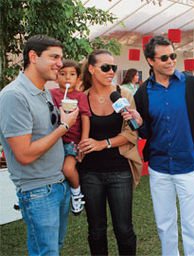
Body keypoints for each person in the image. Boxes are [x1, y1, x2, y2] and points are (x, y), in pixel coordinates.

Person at [133, 35, 194, 256]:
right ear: (151, 61)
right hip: (159, 169)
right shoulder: (142, 92)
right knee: (165, 226)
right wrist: (140, 123)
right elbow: (146, 132)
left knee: (192, 228)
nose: (171, 61)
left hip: (189, 167)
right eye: (164, 58)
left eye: (173, 55)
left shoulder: (192, 85)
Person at [0, 35, 79, 255]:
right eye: (54, 57)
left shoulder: (43, 91)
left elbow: (45, 133)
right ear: (33, 57)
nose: (60, 64)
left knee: (54, 249)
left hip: (57, 184)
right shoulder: (14, 96)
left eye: (61, 58)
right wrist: (64, 126)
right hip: (37, 191)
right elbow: (24, 154)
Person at [77, 49, 142, 256]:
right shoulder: (82, 98)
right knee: (96, 230)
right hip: (90, 173)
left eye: (113, 67)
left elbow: (131, 135)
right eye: (105, 67)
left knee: (124, 229)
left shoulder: (124, 95)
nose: (111, 71)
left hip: (120, 170)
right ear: (92, 69)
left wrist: (101, 143)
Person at [50, 59, 91, 214]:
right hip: (54, 141)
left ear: (78, 79)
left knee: (68, 169)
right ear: (56, 77)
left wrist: (84, 141)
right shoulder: (51, 94)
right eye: (63, 74)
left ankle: (76, 192)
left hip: (72, 141)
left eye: (72, 74)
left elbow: (86, 118)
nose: (67, 78)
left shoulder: (80, 96)